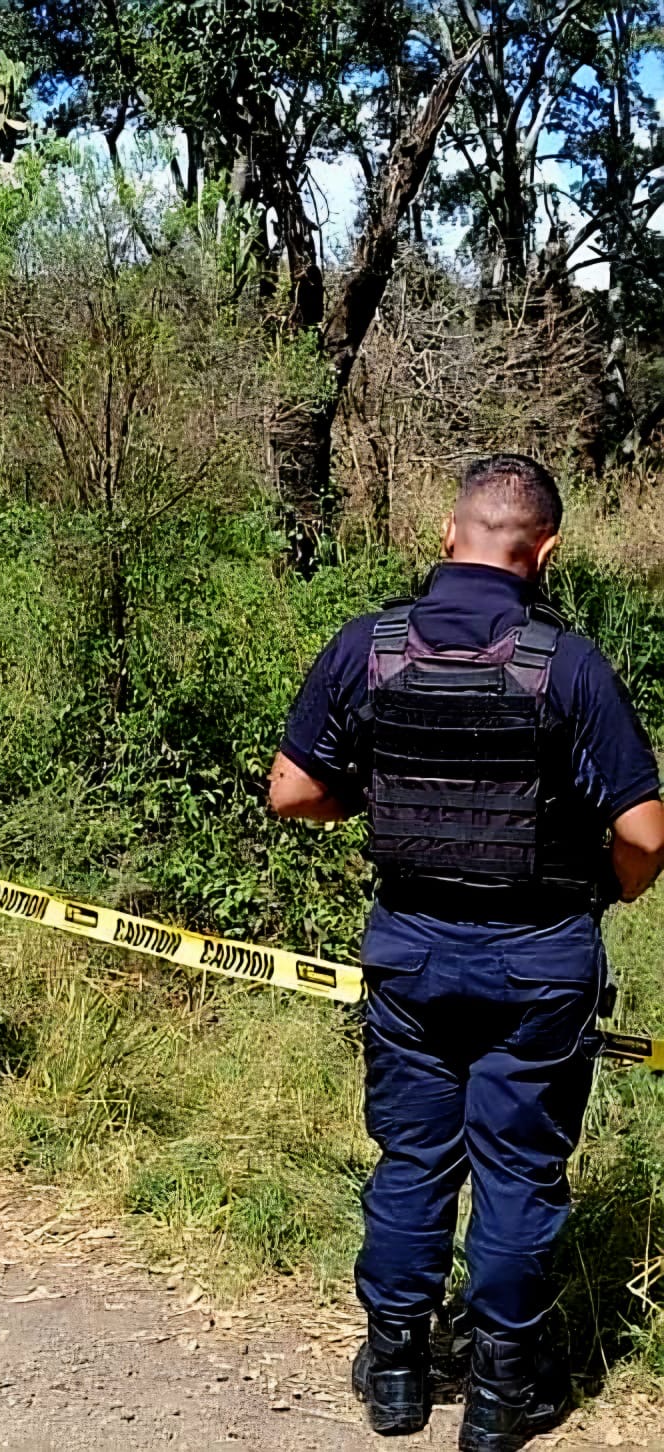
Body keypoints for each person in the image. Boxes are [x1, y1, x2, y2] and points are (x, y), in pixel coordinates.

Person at [268, 456, 664, 1452]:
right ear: (546, 553)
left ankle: (396, 1376)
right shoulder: (565, 664)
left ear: (448, 538)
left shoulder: (369, 646)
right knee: (517, 1177)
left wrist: (389, 808)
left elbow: (290, 792)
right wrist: (606, 890)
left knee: (412, 1160)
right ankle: (497, 1400)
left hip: (408, 953)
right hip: (536, 962)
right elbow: (648, 833)